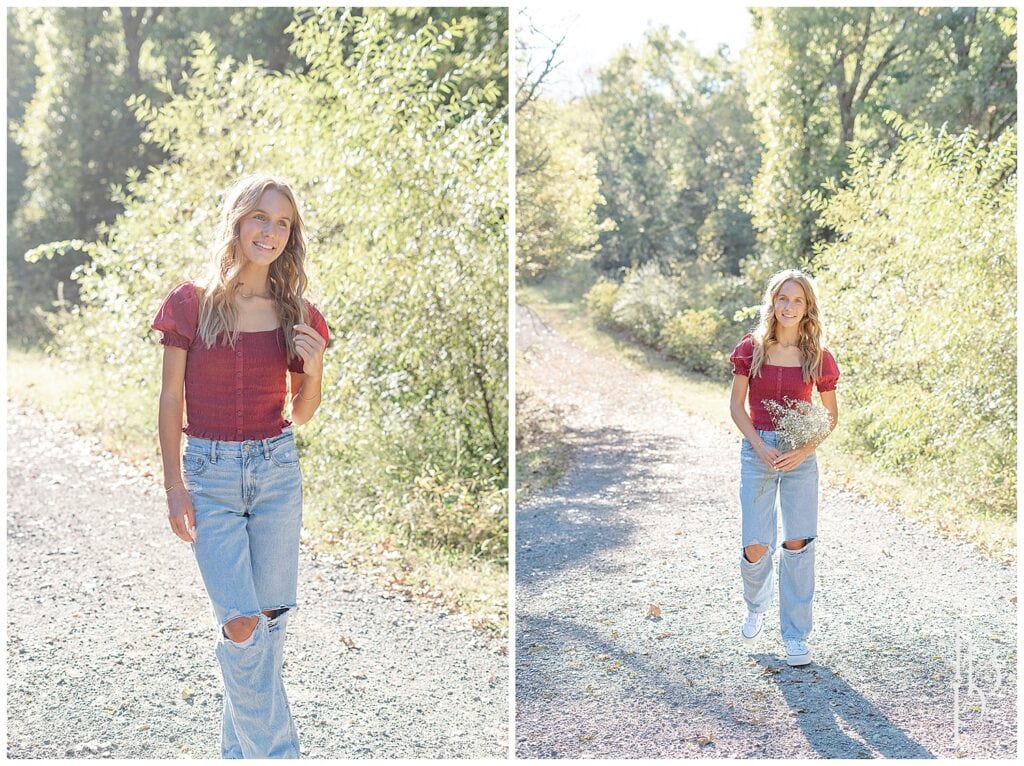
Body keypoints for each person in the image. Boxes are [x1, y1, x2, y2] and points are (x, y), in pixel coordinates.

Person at [152, 174, 329, 757]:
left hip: (277, 469)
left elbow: (301, 413)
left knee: (271, 623)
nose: (271, 232)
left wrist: (316, 366)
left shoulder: (297, 312)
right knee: (242, 622)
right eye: (261, 218)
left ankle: (239, 754)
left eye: (283, 223)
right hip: (211, 473)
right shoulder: (191, 304)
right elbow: (170, 398)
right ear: (237, 220)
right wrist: (175, 486)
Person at [728, 269, 839, 667]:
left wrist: (803, 450)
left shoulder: (818, 358)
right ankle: (756, 604)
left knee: (798, 543)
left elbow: (829, 417)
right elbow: (736, 407)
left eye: (797, 301)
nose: (789, 307)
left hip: (799, 457)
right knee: (756, 544)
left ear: (807, 308)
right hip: (757, 451)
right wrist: (758, 445)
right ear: (772, 303)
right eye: (783, 299)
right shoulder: (751, 349)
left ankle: (795, 635)